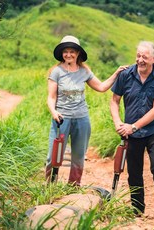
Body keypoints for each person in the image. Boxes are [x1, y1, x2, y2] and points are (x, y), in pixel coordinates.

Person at [45, 35, 128, 186]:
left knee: (78, 156)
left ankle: (73, 187)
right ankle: (49, 186)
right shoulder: (56, 72)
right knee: (54, 155)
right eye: (65, 51)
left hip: (82, 118)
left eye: (72, 51)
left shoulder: (84, 71)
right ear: (62, 54)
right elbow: (51, 97)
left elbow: (101, 87)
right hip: (61, 118)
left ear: (78, 53)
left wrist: (116, 73)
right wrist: (54, 112)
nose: (68, 55)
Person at [110, 41, 154, 216]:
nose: (140, 60)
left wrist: (134, 127)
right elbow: (114, 100)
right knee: (134, 172)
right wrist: (118, 123)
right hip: (130, 132)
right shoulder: (126, 74)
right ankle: (137, 210)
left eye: (145, 56)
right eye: (138, 55)